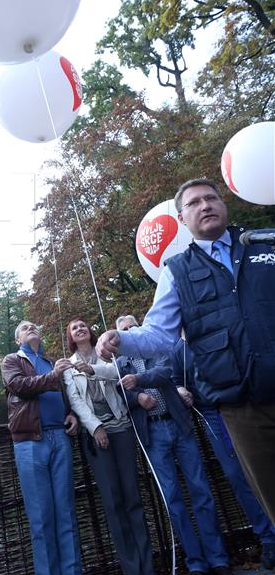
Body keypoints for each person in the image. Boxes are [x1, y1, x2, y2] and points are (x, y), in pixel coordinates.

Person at [97, 178, 275, 525]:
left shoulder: (263, 243)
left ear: (224, 205)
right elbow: (160, 336)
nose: (205, 205)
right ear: (181, 219)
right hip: (242, 407)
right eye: (194, 203)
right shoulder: (176, 270)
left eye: (212, 198)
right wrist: (121, 339)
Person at [116, 315, 244, 575]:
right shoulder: (119, 364)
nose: (131, 332)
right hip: (152, 434)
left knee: (202, 492)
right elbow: (117, 397)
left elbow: (165, 372)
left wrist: (139, 381)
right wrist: (136, 397)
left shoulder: (156, 348)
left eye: (134, 327)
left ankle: (219, 562)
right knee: (173, 500)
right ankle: (197, 566)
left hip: (178, 425)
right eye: (124, 330)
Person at [63, 317, 169, 575]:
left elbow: (114, 375)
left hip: (121, 429)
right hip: (97, 435)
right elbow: (76, 402)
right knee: (114, 504)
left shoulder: (107, 355)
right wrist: (95, 427)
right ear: (70, 337)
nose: (80, 328)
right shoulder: (68, 366)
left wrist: (93, 367)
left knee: (134, 500)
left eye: (83, 325)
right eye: (74, 327)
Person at [172, 336, 275, 570]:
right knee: (236, 474)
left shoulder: (214, 330)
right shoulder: (178, 349)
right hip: (212, 415)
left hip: (243, 402)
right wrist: (180, 389)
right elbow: (176, 378)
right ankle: (268, 537)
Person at [1, 320, 84, 575]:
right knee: (41, 522)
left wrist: (72, 413)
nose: (31, 327)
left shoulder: (50, 361)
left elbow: (63, 394)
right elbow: (19, 386)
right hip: (29, 442)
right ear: (18, 338)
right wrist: (53, 376)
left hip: (60, 437)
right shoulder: (13, 360)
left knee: (67, 518)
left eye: (34, 325)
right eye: (24, 327)